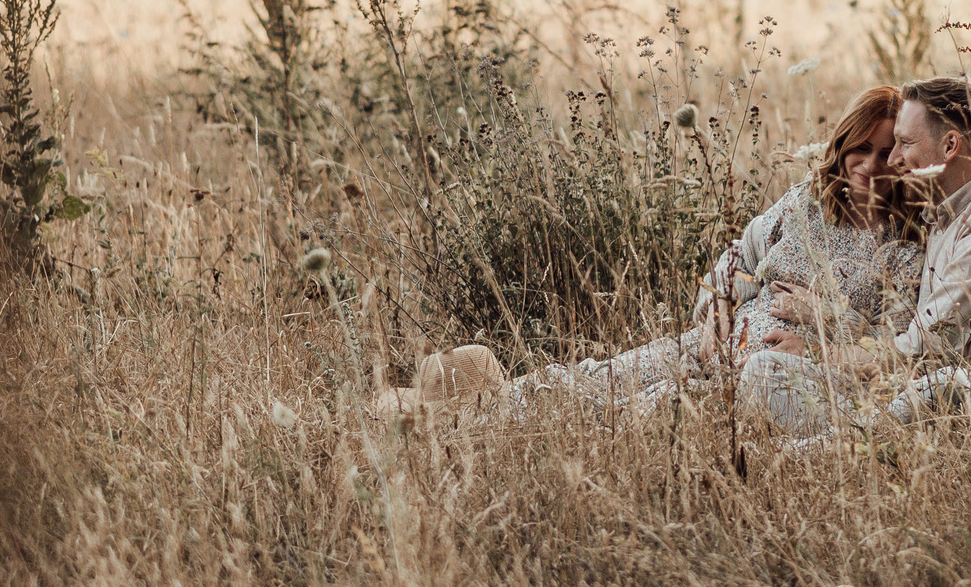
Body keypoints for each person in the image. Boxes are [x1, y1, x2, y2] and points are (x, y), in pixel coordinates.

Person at [384, 87, 924, 417]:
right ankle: (452, 402)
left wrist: (826, 317)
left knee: (630, 409)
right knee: (589, 378)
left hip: (764, 377)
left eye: (885, 151)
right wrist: (715, 315)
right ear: (844, 144)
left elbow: (895, 347)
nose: (870, 165)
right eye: (861, 148)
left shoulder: (902, 245)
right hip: (709, 343)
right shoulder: (807, 202)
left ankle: (466, 415)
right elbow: (734, 259)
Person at [739, 74, 971, 433]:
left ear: (950, 146)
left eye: (904, 143)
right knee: (766, 370)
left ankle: (818, 451)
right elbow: (744, 250)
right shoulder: (943, 212)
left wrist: (819, 350)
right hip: (921, 393)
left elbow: (922, 354)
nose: (893, 159)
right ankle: (846, 437)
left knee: (941, 386)